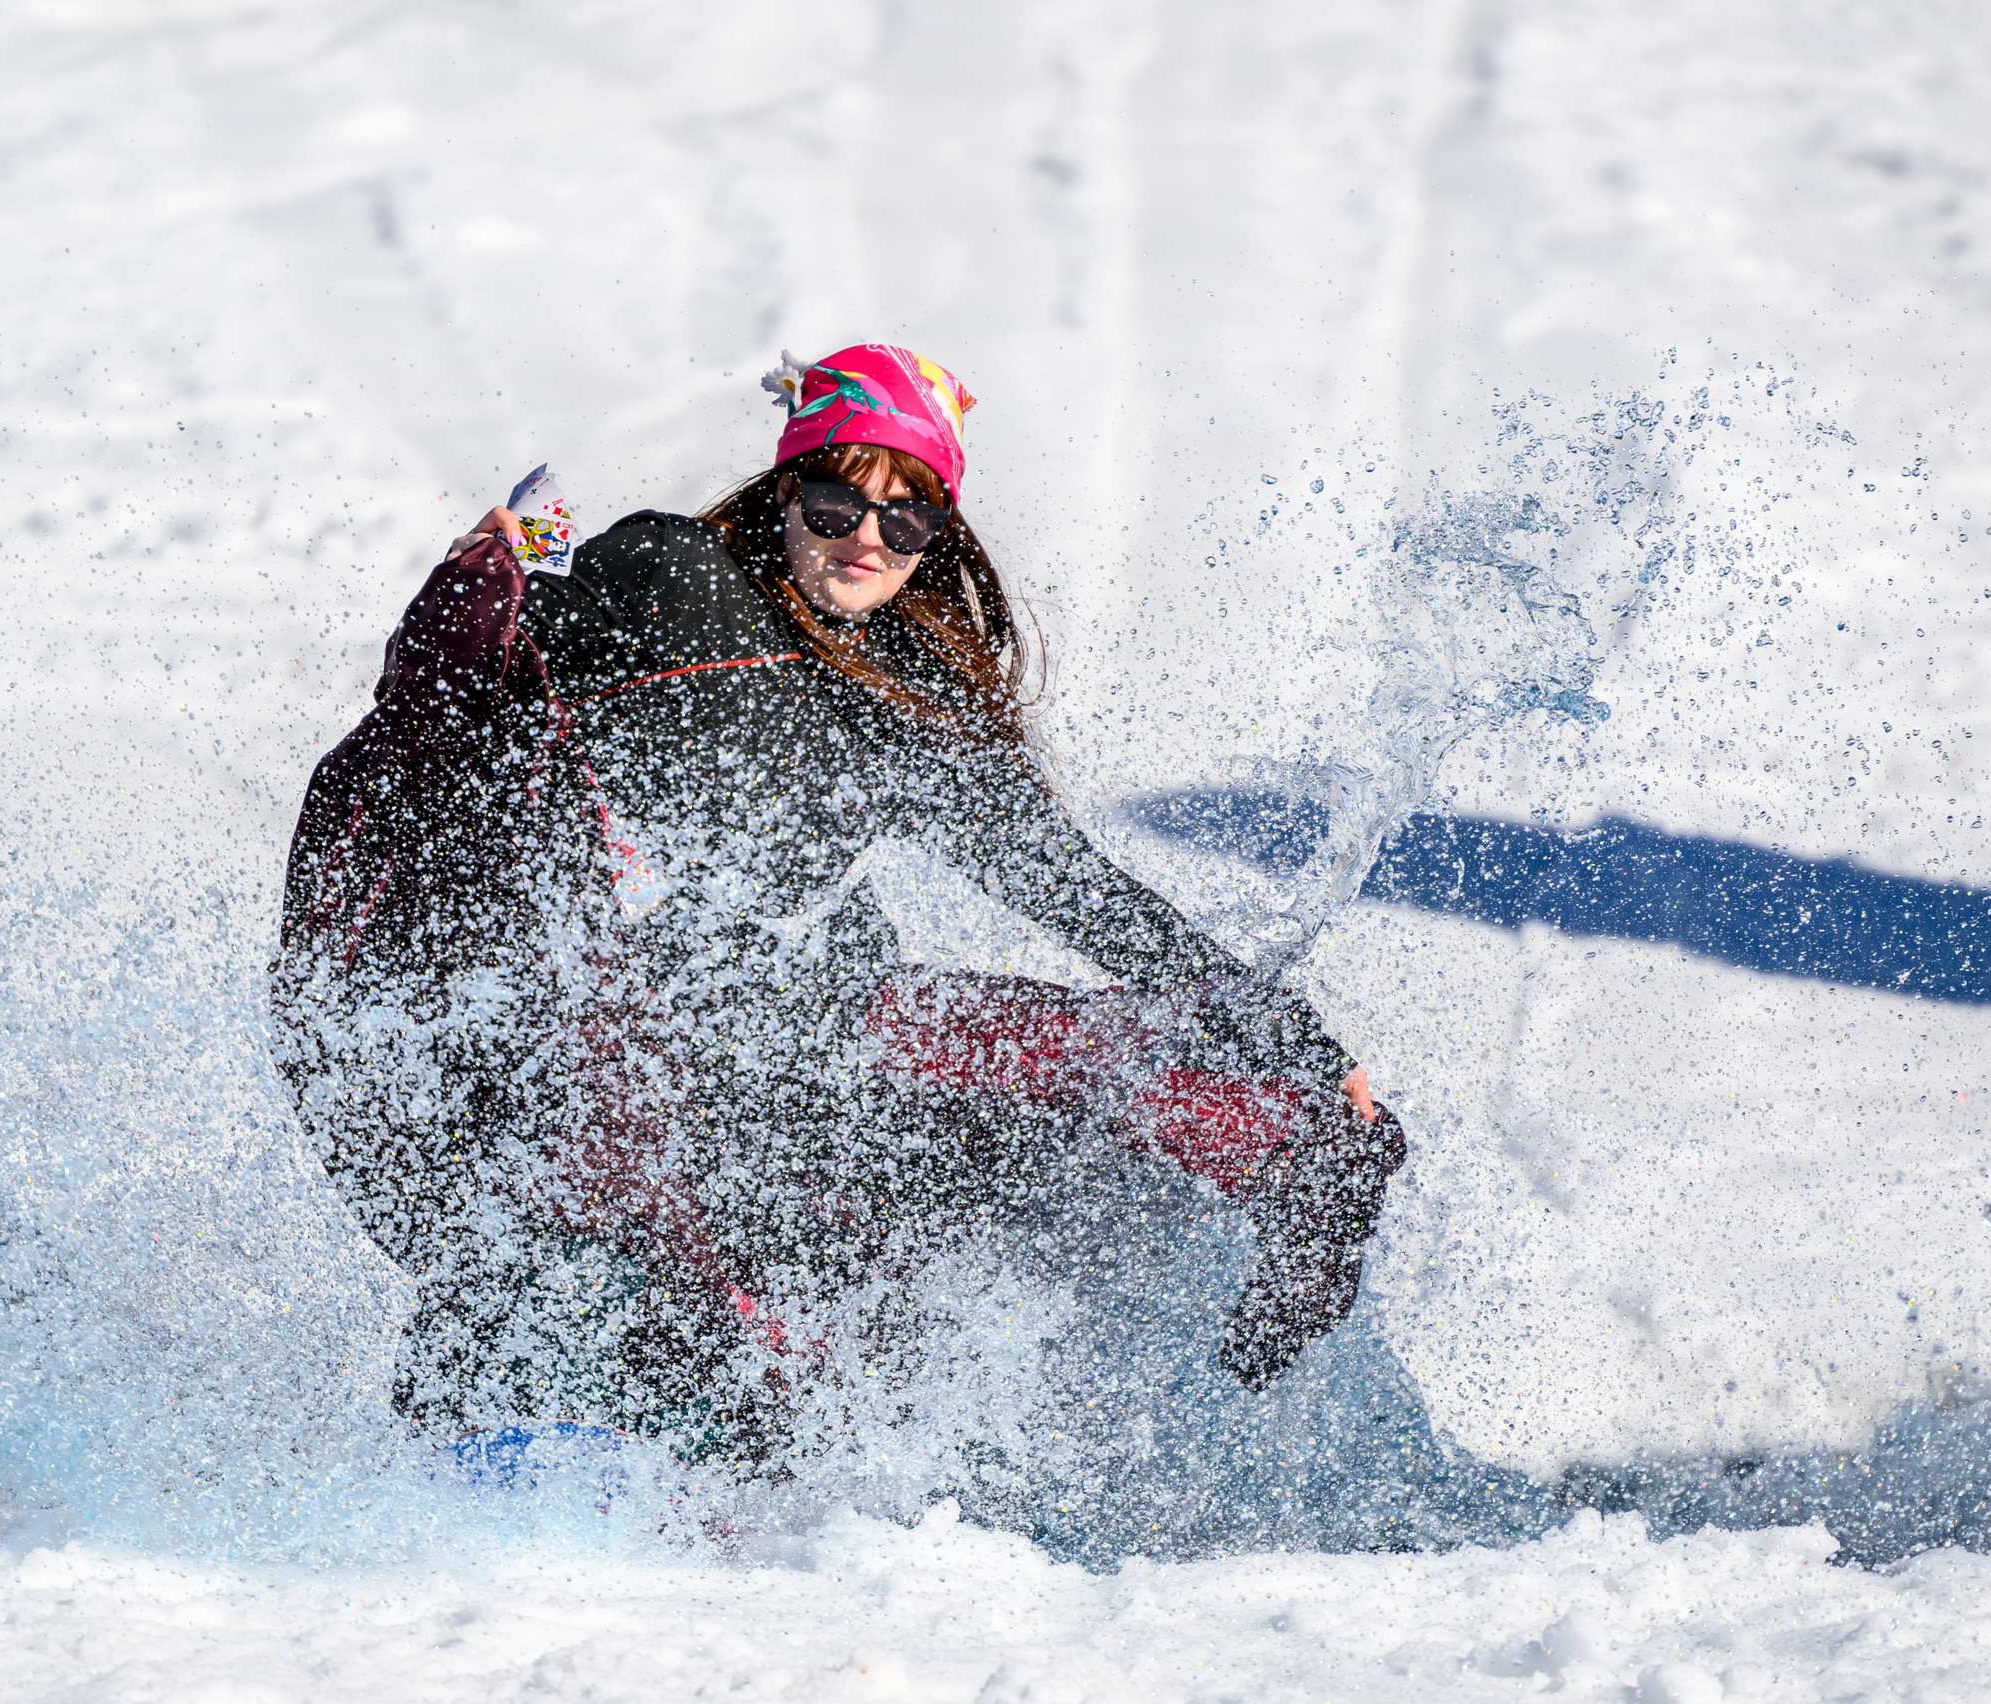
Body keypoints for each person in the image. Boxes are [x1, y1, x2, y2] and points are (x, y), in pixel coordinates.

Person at [275, 344, 1404, 1460]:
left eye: (907, 517)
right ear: (786, 490)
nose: (866, 537)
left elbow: (1075, 891)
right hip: (537, 1031)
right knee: (644, 1212)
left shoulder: (910, 703)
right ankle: (520, 1418)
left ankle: (1263, 1207)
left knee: (1047, 1075)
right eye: (836, 500)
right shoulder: (672, 579)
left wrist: (1294, 1037)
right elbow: (445, 692)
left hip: (766, 1026)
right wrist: (481, 587)